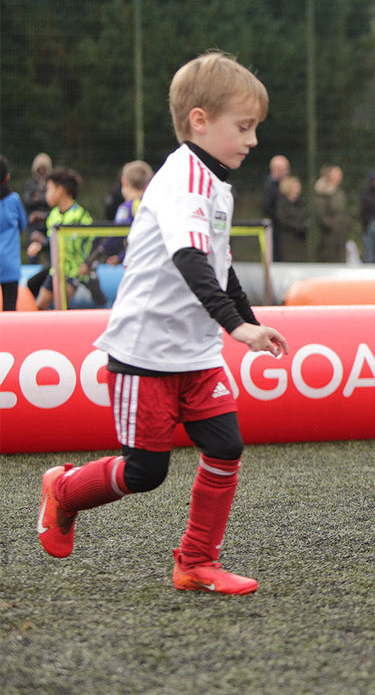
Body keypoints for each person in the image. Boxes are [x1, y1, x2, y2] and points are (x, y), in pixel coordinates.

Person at [35, 51, 288, 595]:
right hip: (143, 354)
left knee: (225, 446)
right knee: (146, 472)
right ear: (200, 120)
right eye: (243, 127)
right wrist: (236, 330)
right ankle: (64, 491)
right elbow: (190, 263)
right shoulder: (181, 180)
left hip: (195, 356)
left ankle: (195, 563)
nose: (253, 140)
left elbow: (220, 269)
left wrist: (249, 320)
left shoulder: (218, 184)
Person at [25, 167, 105, 310]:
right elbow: (53, 241)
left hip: (75, 271)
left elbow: (96, 240)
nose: (46, 195)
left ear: (60, 191)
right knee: (40, 304)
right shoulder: (53, 215)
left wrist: (88, 263)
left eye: (49, 190)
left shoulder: (80, 216)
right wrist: (40, 245)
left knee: (62, 305)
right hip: (56, 269)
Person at [85, 160, 153, 269]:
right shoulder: (153, 205)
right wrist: (121, 257)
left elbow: (116, 235)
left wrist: (95, 256)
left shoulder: (126, 208)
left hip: (136, 266)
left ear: (124, 182)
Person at [0, 155, 27, 311]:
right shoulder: (14, 200)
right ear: (7, 177)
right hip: (10, 264)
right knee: (10, 307)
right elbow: (23, 224)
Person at [315, 163, 349, 263]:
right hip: (328, 239)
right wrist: (333, 226)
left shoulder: (338, 192)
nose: (340, 176)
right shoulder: (323, 193)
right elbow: (322, 216)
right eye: (337, 173)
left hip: (340, 236)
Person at [23, 152, 52, 266]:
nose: (42, 171)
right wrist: (43, 197)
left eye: (44, 168)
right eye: (40, 168)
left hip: (48, 225)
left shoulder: (51, 183)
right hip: (34, 227)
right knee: (33, 257)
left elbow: (50, 201)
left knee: (51, 256)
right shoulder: (30, 183)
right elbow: (27, 200)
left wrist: (38, 198)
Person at [261, 155, 289, 261]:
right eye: (283, 169)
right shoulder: (270, 187)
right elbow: (266, 207)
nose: (286, 172)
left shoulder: (287, 183)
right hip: (276, 227)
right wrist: (279, 217)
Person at [276, 175, 309, 262]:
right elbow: (282, 219)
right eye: (295, 186)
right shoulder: (282, 203)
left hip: (301, 239)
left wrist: (305, 225)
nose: (298, 189)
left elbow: (307, 216)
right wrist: (296, 227)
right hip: (289, 238)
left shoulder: (301, 202)